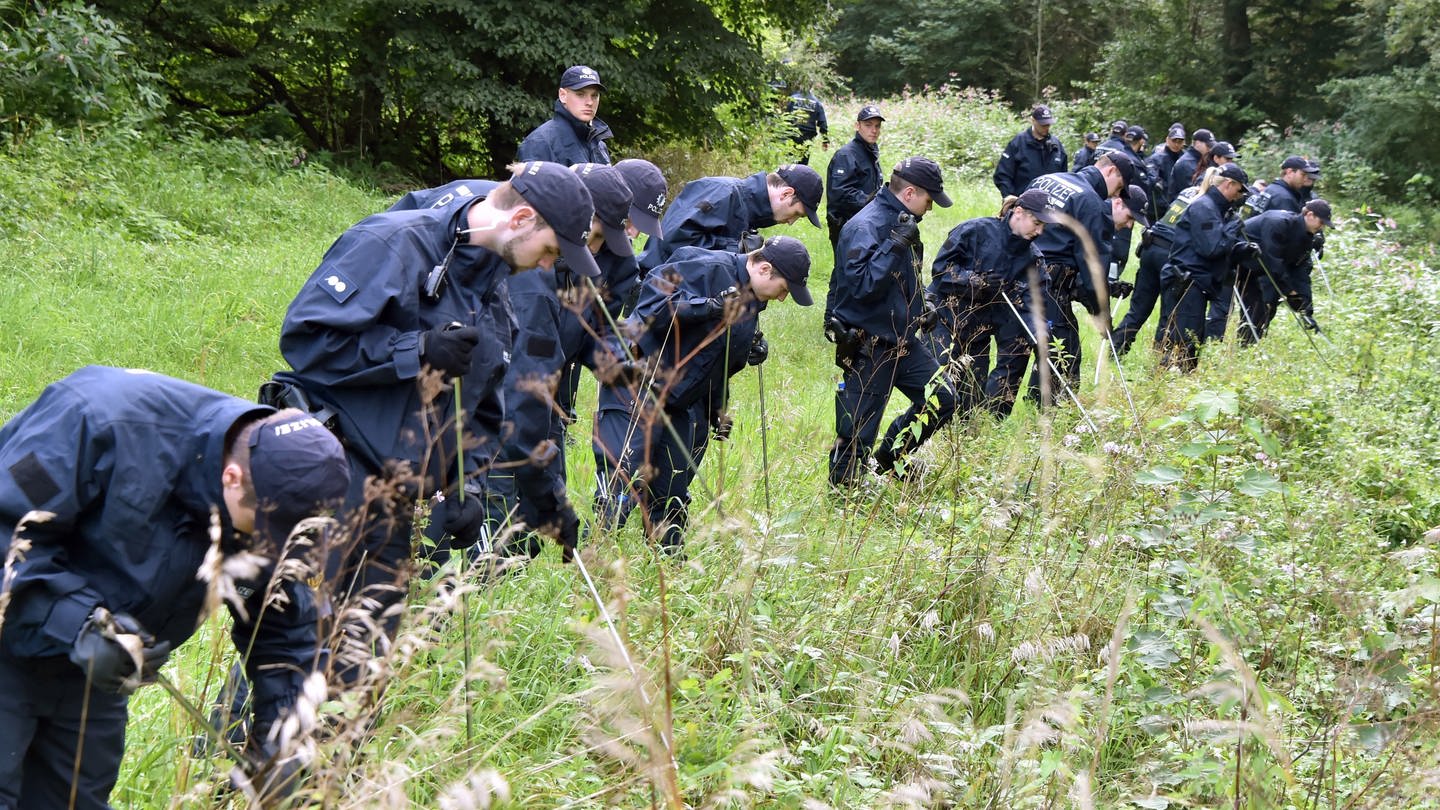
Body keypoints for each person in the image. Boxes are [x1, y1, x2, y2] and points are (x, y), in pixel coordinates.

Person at [270, 161, 596, 669]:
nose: (547, 265)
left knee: (363, 659)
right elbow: (307, 339)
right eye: (551, 249)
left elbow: (480, 401)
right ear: (522, 218)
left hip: (397, 498)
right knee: (294, 647)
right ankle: (230, 749)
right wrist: (415, 347)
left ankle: (337, 751)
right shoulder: (394, 243)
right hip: (334, 471)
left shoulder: (492, 282)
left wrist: (460, 489)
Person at [0, 367, 349, 808]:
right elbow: (7, 537)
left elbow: (285, 634)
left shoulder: (284, 499)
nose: (270, 547)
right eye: (265, 529)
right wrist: (79, 624)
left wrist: (282, 748)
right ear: (233, 478)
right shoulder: (98, 420)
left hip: (100, 672)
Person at [592, 236, 813, 554]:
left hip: (679, 400)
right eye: (783, 290)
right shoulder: (708, 268)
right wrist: (711, 307)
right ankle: (593, 557)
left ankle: (669, 563)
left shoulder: (752, 299)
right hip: (638, 380)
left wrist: (717, 408)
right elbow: (651, 307)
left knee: (673, 485)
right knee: (625, 475)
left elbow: (712, 362)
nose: (781, 299)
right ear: (764, 269)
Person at [826, 156, 957, 486]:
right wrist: (894, 244)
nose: (930, 209)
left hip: (903, 340)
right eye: (929, 200)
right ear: (911, 192)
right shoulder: (864, 226)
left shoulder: (903, 220)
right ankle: (844, 498)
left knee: (942, 398)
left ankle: (891, 457)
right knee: (856, 431)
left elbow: (904, 276)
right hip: (869, 344)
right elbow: (861, 287)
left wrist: (922, 302)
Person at [926, 188, 1060, 418]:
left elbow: (1033, 304)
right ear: (1018, 212)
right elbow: (940, 272)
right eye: (1036, 222)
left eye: (1044, 226)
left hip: (979, 336)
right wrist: (978, 282)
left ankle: (969, 445)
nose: (1039, 231)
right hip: (943, 322)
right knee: (939, 393)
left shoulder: (1033, 260)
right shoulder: (974, 231)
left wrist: (1039, 333)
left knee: (970, 406)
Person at [1024, 152, 1140, 403]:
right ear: (1110, 172)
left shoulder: (1046, 179)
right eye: (1118, 188)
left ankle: (991, 413)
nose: (1114, 196)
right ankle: (1046, 411)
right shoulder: (1090, 201)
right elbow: (1092, 269)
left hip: (1019, 274)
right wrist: (1102, 315)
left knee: (1015, 350)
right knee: (1064, 351)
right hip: (1050, 284)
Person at [636, 163, 822, 276]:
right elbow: (673, 241)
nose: (791, 221)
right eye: (797, 214)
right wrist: (736, 251)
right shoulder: (723, 192)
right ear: (786, 194)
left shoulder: (747, 208)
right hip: (655, 292)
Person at [1158, 161, 1254, 371]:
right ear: (1228, 184)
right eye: (1239, 190)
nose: (1239, 196)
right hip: (1187, 281)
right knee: (1184, 339)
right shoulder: (1204, 207)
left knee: (1191, 338)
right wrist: (1232, 229)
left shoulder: (1216, 208)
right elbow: (1211, 248)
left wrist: (1241, 250)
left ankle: (1179, 380)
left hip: (1197, 281)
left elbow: (1214, 246)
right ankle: (1170, 382)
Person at [1112, 167, 1214, 356]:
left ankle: (1115, 349)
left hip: (1151, 247)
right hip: (1169, 254)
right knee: (1169, 313)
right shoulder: (1208, 205)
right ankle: (1160, 358)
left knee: (1138, 309)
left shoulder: (1187, 193)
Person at [1233, 198, 1332, 342]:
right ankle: (1212, 346)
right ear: (1310, 215)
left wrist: (1306, 309)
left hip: (1251, 270)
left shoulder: (1306, 237)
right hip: (1229, 261)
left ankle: (1246, 349)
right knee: (1221, 310)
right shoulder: (1278, 223)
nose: (1322, 227)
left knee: (1258, 312)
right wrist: (1290, 292)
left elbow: (1300, 271)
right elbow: (1273, 262)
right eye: (1321, 222)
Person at [517, 65, 613, 166]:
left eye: (594, 95)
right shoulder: (540, 143)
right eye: (580, 94)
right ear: (563, 95)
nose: (589, 102)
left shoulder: (599, 145)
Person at [826, 104, 885, 255]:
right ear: (857, 126)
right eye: (868, 125)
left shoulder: (870, 152)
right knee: (845, 270)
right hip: (845, 225)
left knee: (859, 271)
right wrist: (872, 200)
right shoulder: (846, 155)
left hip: (864, 223)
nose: (874, 130)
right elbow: (839, 193)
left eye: (877, 126)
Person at [993, 104, 1067, 198]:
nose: (1046, 127)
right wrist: (1010, 198)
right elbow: (1002, 175)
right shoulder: (1018, 143)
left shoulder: (1056, 146)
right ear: (1033, 121)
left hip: (1051, 205)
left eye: (1048, 124)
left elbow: (1064, 177)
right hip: (1023, 204)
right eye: (1042, 124)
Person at [1247, 155, 1320, 214]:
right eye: (1303, 175)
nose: (1305, 179)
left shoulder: (1271, 189)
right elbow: (1285, 230)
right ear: (1289, 172)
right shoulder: (1285, 198)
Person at [783, 87, 830, 165]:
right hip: (807, 137)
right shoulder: (816, 102)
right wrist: (825, 140)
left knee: (789, 160)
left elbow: (785, 117)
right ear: (811, 87)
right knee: (803, 161)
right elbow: (822, 123)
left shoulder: (793, 99)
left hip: (792, 134)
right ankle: (801, 176)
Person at [1168, 128, 1215, 201]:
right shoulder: (1185, 163)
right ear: (1197, 143)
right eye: (1208, 145)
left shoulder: (1203, 159)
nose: (1210, 149)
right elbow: (1192, 191)